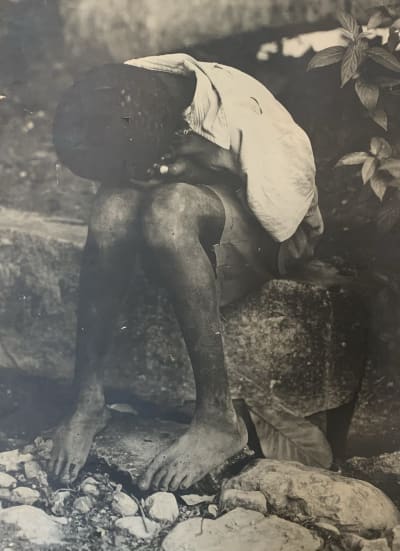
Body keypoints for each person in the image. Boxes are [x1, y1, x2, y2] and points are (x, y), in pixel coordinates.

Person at [50, 53, 323, 491]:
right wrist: (149, 173)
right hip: (196, 202)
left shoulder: (241, 114)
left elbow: (284, 220)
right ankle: (88, 402)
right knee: (108, 211)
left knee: (169, 210)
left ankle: (218, 419)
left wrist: (202, 165)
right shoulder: (131, 85)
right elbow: (123, 166)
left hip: (271, 229)